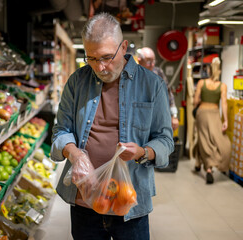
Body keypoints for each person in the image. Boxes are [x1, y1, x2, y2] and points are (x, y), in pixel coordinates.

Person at [50, 13, 174, 240]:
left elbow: (165, 140)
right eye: (92, 58)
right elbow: (60, 131)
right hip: (85, 202)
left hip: (130, 205)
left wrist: (142, 152)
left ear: (124, 46)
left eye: (107, 57)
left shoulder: (151, 84)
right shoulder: (77, 82)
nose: (101, 67)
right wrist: (75, 154)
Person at [193, 57, 231, 184]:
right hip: (215, 114)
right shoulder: (222, 86)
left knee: (203, 139)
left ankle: (204, 167)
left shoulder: (201, 83)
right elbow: (224, 104)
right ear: (219, 71)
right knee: (218, 140)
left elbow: (195, 101)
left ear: (209, 70)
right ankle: (205, 166)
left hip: (202, 113)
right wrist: (225, 120)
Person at [137, 47, 179, 131]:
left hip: (158, 117)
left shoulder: (158, 73)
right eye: (149, 62)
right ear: (139, 60)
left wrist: (174, 115)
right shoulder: (134, 75)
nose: (152, 64)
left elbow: (168, 93)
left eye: (153, 61)